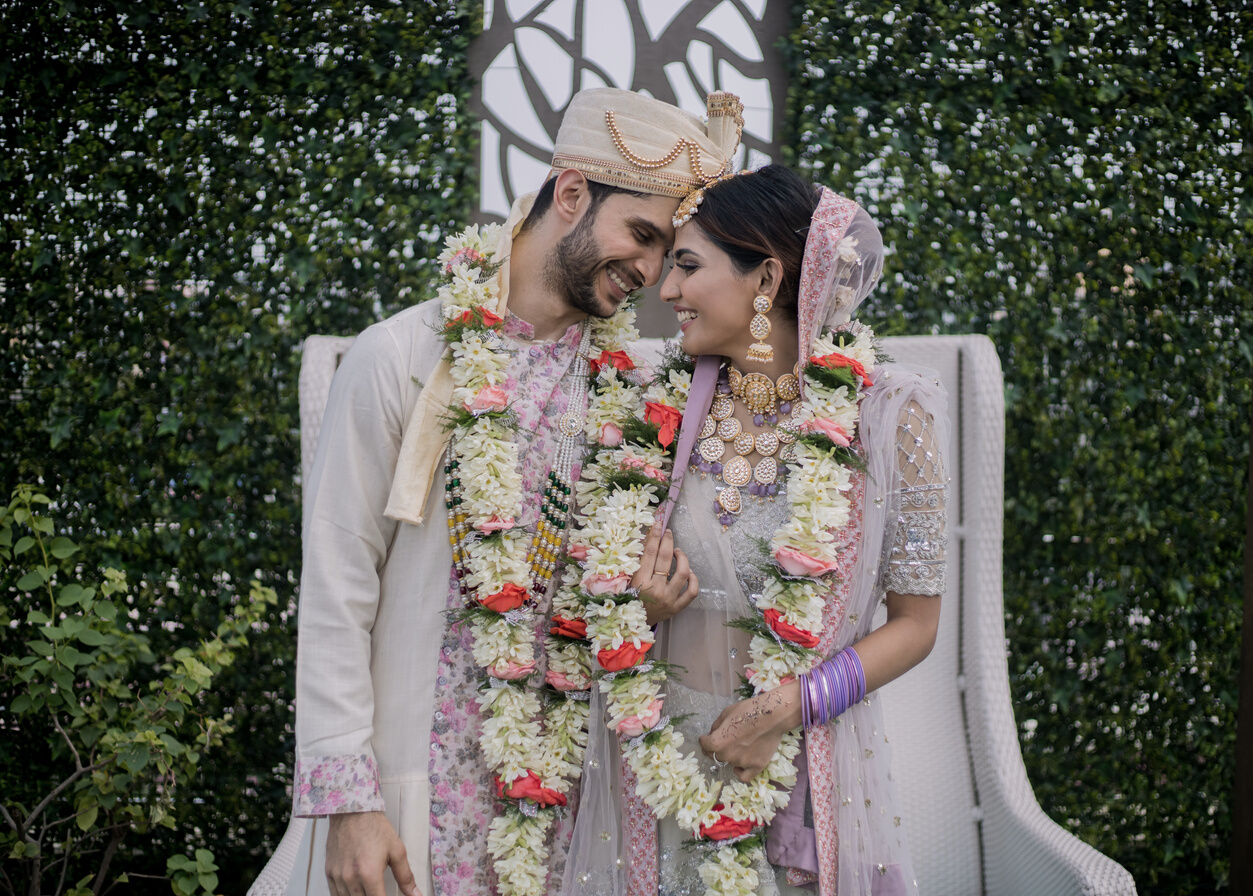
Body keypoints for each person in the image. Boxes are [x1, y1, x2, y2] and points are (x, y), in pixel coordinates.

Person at [251, 88, 745, 896]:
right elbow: (337, 588)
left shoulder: (635, 391)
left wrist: (640, 606)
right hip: (414, 796)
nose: (652, 272)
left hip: (573, 804)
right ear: (572, 193)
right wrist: (348, 803)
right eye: (642, 235)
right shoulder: (401, 357)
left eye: (667, 251)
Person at [562, 165, 949, 896]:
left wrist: (784, 709)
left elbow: (916, 624)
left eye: (686, 264)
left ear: (764, 277)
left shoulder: (893, 417)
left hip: (798, 760)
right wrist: (634, 607)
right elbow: (592, 599)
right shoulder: (656, 414)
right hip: (657, 761)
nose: (664, 289)